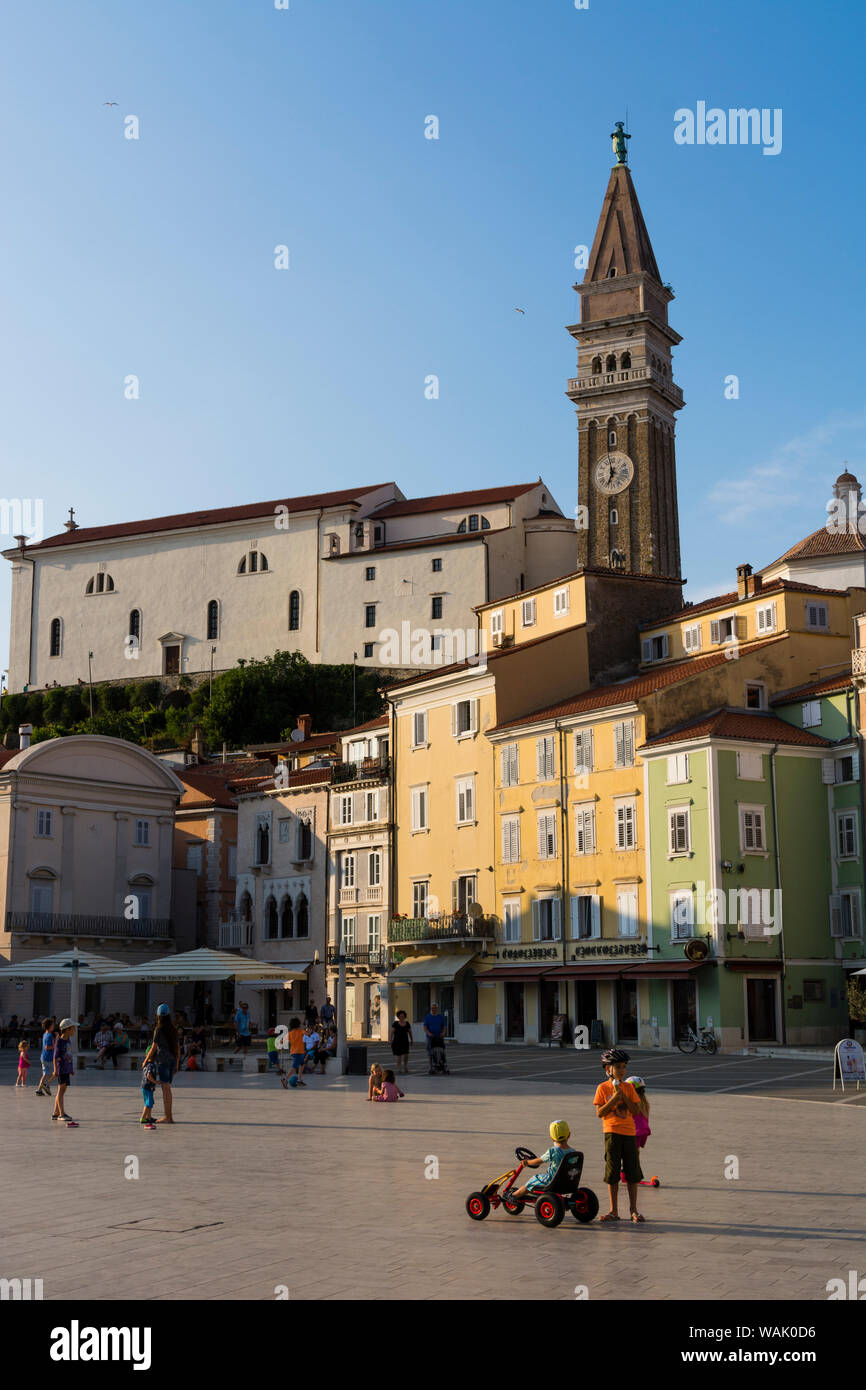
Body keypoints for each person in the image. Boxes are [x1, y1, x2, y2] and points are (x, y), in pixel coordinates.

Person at [593, 1048, 645, 1223]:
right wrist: (614, 1099)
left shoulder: (629, 1087)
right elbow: (599, 1112)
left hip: (629, 1134)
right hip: (612, 1134)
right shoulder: (602, 1088)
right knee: (612, 1172)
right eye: (617, 1067)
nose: (621, 1070)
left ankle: (634, 1210)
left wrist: (623, 1095)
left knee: (632, 1172)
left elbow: (636, 1110)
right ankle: (613, 1210)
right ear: (608, 1069)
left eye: (623, 1067)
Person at [509, 1121, 577, 1201]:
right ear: (569, 1135)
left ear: (551, 1137)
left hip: (552, 1181)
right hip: (568, 1182)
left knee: (533, 1180)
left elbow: (539, 1161)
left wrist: (527, 1162)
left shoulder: (553, 1151)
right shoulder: (573, 1152)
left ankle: (513, 1196)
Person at [145, 1004, 181, 1124]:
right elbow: (177, 1047)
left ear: (158, 1015)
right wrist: (177, 1063)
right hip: (171, 1061)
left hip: (163, 1062)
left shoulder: (159, 1029)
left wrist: (145, 1061)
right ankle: (168, 1116)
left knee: (165, 1089)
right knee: (167, 1088)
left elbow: (154, 1047)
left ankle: (168, 1117)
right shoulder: (173, 1029)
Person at [51, 1019, 79, 1125]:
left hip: (66, 1068)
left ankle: (55, 1112)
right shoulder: (60, 1041)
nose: (74, 1030)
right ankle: (61, 1114)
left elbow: (69, 1055)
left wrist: (71, 1069)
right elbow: (55, 1057)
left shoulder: (68, 1040)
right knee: (61, 1091)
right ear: (67, 1029)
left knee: (61, 1090)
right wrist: (55, 1070)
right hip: (61, 1069)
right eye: (73, 1028)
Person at [280, 1017, 307, 1088]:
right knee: (294, 1067)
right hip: (299, 1052)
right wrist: (309, 1032)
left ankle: (299, 1080)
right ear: (298, 1025)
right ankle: (285, 1079)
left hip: (294, 1052)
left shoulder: (290, 1033)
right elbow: (307, 1034)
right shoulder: (301, 1031)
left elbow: (282, 1041)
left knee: (302, 1064)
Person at [35, 1017, 56, 1096]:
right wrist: (55, 1046)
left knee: (45, 1074)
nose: (54, 1026)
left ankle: (39, 1089)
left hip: (43, 1057)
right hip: (48, 1057)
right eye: (53, 1025)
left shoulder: (45, 1034)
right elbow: (47, 1047)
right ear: (49, 1026)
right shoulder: (50, 1035)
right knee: (55, 1072)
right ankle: (46, 1085)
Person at [390, 1010, 413, 1074]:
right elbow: (392, 1032)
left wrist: (412, 1040)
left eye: (403, 1016)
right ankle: (399, 1068)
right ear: (398, 1017)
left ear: (405, 1017)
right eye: (400, 1016)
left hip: (405, 1042)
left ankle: (405, 1066)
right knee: (399, 1056)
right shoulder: (395, 1023)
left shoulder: (407, 1024)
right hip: (397, 1042)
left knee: (406, 1055)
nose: (401, 1017)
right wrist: (390, 1040)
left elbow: (410, 1032)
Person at [140, 1057, 159, 1127]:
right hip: (148, 1086)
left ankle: (148, 1117)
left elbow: (150, 1074)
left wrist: (157, 1074)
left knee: (148, 1102)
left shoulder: (146, 1064)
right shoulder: (151, 1065)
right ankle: (143, 1118)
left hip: (144, 1086)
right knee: (149, 1103)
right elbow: (149, 1075)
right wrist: (156, 1082)